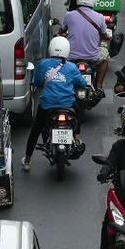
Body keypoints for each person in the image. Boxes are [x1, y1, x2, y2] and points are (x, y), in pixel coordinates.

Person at [24, 35, 89, 170]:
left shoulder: (43, 64)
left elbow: (37, 82)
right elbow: (82, 83)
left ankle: (28, 160)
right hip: (68, 106)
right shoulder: (71, 67)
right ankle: (76, 136)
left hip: (47, 106)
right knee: (80, 107)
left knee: (36, 129)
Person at [62, 0, 111, 92]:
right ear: (93, 0)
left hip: (71, 57)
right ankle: (98, 86)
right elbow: (104, 34)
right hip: (92, 57)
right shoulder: (100, 17)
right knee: (105, 56)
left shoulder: (69, 15)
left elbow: (62, 30)